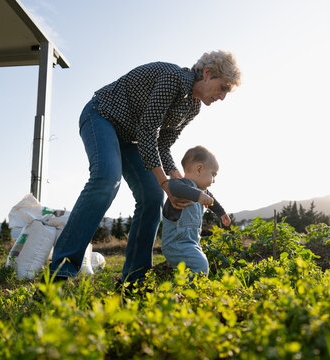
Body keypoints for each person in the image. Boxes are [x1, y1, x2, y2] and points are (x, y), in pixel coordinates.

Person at [48, 51, 241, 285]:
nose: (222, 97)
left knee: (152, 196)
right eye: (223, 88)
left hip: (130, 138)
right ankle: (62, 271)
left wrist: (177, 180)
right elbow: (148, 131)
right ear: (208, 74)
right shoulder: (173, 79)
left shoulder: (193, 107)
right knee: (107, 179)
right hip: (102, 116)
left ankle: (135, 278)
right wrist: (166, 182)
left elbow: (163, 145)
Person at [161, 146, 231, 276]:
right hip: (176, 244)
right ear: (199, 169)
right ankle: (190, 294)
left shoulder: (203, 191)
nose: (214, 180)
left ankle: (184, 291)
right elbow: (174, 187)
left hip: (191, 243)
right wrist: (198, 196)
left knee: (196, 267)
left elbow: (212, 201)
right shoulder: (180, 184)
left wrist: (221, 213)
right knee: (200, 265)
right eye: (213, 174)